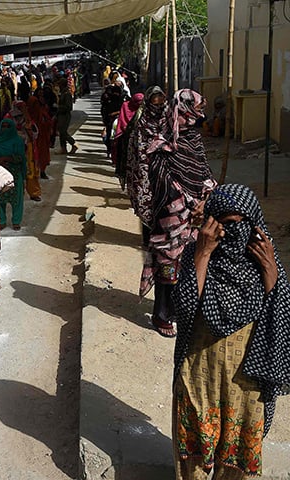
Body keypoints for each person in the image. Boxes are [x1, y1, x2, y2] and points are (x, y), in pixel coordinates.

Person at [171, 184, 290, 479]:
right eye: (219, 224)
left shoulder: (263, 261)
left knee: (236, 458)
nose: (227, 233)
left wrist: (272, 275)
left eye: (235, 225)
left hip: (246, 381)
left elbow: (282, 322)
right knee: (195, 451)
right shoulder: (197, 254)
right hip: (200, 371)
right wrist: (202, 253)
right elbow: (183, 308)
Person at [127, 87, 217, 338]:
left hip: (195, 216)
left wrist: (206, 198)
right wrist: (189, 203)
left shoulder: (194, 139)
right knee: (168, 263)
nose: (199, 115)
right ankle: (162, 314)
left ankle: (178, 308)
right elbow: (161, 181)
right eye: (196, 110)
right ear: (184, 109)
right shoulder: (162, 145)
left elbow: (204, 173)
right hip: (171, 215)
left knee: (189, 263)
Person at [0, 118, 26, 230]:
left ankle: (16, 221)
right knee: (0, 199)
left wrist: (7, 158)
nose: (5, 129)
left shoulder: (18, 141)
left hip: (14, 174)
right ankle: (2, 220)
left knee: (17, 200)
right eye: (3, 126)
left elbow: (21, 158)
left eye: (7, 126)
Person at [113, 92, 144, 182]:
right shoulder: (126, 106)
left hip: (140, 140)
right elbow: (122, 121)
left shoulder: (144, 109)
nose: (139, 104)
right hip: (126, 139)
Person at [56, 78, 78, 155]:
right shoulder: (62, 93)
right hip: (60, 114)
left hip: (65, 115)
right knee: (61, 133)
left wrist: (58, 107)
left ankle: (73, 143)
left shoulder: (67, 94)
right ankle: (63, 148)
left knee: (63, 132)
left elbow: (69, 107)